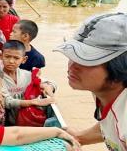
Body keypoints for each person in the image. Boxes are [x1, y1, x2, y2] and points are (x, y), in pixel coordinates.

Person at [54, 12, 127, 151]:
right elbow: (110, 122)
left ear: (120, 68)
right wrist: (78, 137)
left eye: (86, 60)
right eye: (73, 55)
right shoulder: (104, 90)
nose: (72, 65)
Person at [0, 40, 56, 126]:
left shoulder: (27, 75)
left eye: (16, 58)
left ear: (24, 59)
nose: (11, 61)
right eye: (7, 57)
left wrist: (48, 87)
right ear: (0, 56)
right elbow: (7, 102)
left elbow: (52, 83)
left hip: (28, 119)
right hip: (8, 122)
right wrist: (34, 102)